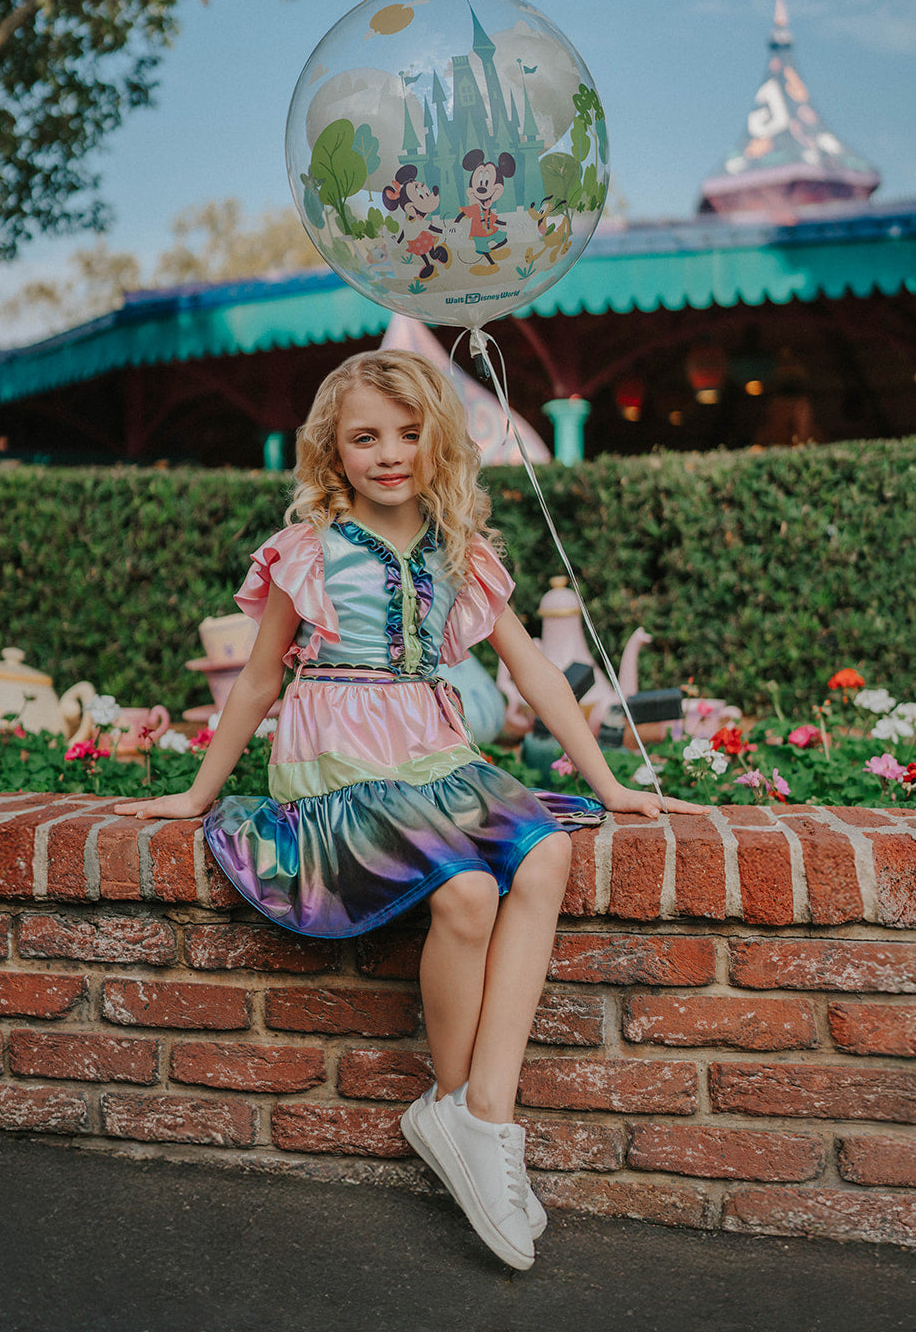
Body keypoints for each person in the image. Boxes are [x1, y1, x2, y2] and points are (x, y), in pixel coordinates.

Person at [114, 350, 700, 1272]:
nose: (389, 453)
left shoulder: (459, 546)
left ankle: (479, 1119)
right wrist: (196, 792)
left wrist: (613, 781)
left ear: (440, 439)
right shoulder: (307, 549)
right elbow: (262, 678)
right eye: (364, 437)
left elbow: (533, 669)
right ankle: (457, 1100)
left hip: (432, 755)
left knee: (545, 855)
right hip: (338, 763)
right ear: (332, 451)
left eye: (409, 432)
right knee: (467, 895)